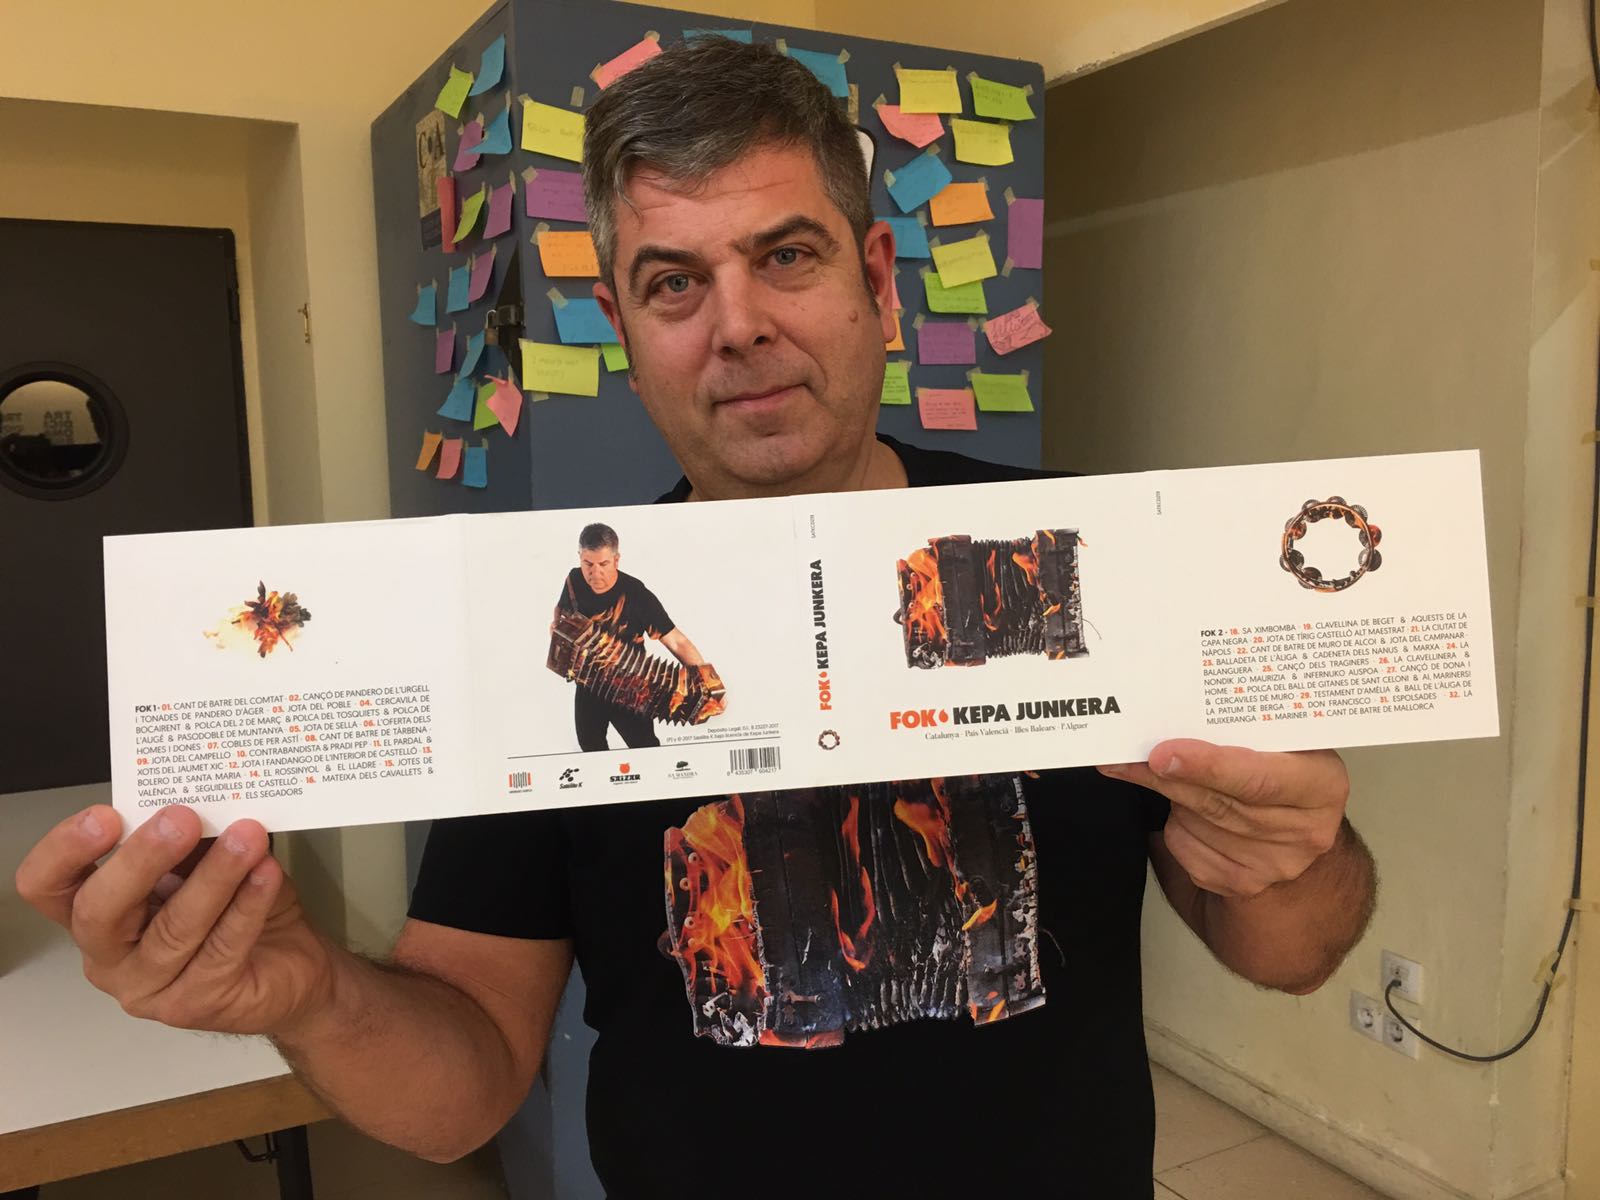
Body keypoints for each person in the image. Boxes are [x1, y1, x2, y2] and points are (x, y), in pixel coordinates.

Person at [15, 38, 1376, 1198]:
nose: (738, 325)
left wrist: (1294, 863)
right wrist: (308, 992)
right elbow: (462, 1093)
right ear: (623, 326)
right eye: (674, 282)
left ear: (878, 281)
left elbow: (1294, 950)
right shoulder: (548, 626)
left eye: (786, 256)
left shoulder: (1090, 560)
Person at [552, 521, 706, 751]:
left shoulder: (636, 594)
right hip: (588, 686)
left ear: (616, 559)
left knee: (645, 749)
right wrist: (559, 636)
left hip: (631, 689)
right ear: (580, 557)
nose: (595, 573)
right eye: (588, 564)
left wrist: (708, 683)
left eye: (604, 564)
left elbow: (676, 641)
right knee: (590, 749)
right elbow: (560, 615)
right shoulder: (574, 580)